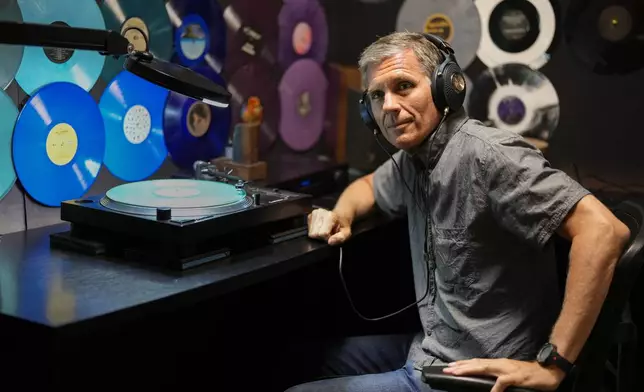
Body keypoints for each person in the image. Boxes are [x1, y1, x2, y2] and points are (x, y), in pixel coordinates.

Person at [287, 32, 631, 392]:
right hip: (430, 352)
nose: (388, 105)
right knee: (299, 359)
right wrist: (341, 214)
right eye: (376, 95)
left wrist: (553, 365)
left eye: (403, 86)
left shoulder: (490, 156)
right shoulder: (412, 159)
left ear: (446, 88)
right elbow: (369, 187)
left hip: (477, 375)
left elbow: (604, 231)